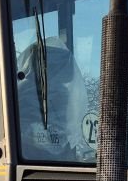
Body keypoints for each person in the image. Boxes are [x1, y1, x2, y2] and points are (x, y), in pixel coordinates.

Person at [14, 33, 95, 162]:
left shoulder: (60, 93)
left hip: (54, 159)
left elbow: (62, 133)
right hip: (32, 158)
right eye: (56, 67)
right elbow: (26, 132)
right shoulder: (27, 92)